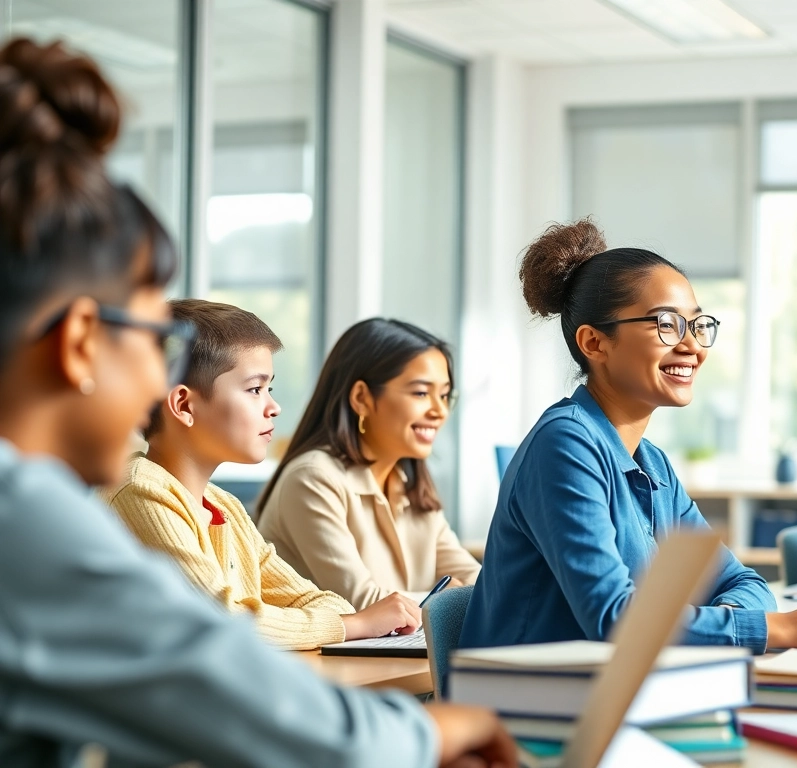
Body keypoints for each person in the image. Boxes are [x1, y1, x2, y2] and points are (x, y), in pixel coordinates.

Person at [0, 37, 513, 767]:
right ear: (83, 340)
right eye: (153, 342)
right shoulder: (23, 517)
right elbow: (222, 668)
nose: (157, 385)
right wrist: (434, 732)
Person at [460, 219, 797, 655]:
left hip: (615, 691)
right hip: (524, 707)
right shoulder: (565, 446)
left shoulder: (652, 464)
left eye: (698, 326)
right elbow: (615, 618)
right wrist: (779, 629)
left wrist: (735, 618)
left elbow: (742, 581)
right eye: (667, 324)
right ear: (594, 343)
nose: (692, 347)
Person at [106, 299, 423, 650]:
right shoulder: (141, 492)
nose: (274, 407)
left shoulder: (225, 507)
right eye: (255, 389)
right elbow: (219, 621)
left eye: (269, 389)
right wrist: (354, 624)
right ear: (184, 405)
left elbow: (323, 602)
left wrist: (340, 620)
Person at [257, 319, 481, 609]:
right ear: (362, 398)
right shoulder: (312, 478)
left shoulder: (408, 483)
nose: (439, 411)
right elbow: (361, 603)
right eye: (421, 393)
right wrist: (446, 599)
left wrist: (456, 596)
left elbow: (478, 582)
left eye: (444, 395)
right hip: (316, 655)